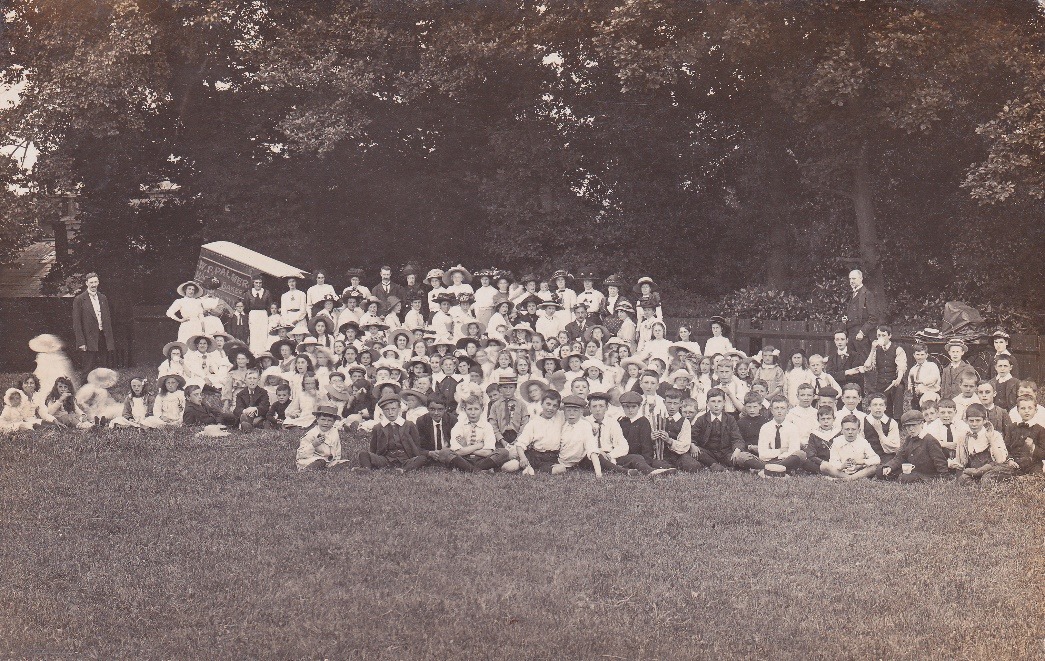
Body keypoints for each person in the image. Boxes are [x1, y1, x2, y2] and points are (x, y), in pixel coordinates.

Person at [691, 388, 762, 471]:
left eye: (719, 401)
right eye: (713, 401)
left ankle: (766, 467)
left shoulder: (730, 419)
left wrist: (737, 450)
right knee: (694, 452)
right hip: (708, 453)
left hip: (726, 453)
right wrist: (692, 445)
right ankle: (714, 464)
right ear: (707, 403)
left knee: (743, 457)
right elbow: (692, 437)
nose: (716, 405)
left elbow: (737, 439)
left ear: (724, 402)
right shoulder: (701, 419)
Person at [356, 394, 428, 471]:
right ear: (382, 411)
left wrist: (416, 456)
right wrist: (373, 458)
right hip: (386, 459)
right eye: (387, 410)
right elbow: (373, 448)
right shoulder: (378, 427)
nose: (390, 412)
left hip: (406, 459)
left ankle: (404, 469)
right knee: (363, 453)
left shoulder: (409, 425)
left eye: (393, 409)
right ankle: (366, 468)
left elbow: (416, 444)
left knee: (422, 459)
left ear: (399, 409)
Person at [950, 403, 1016, 485]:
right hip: (975, 470)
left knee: (987, 479)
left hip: (994, 468)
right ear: (966, 421)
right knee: (963, 479)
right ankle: (976, 484)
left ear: (984, 420)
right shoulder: (964, 437)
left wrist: (991, 440)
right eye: (971, 421)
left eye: (978, 420)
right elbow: (961, 463)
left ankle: (984, 482)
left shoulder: (994, 435)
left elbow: (999, 460)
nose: (974, 424)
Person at [880, 410, 949, 483]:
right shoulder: (909, 439)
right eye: (908, 426)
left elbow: (940, 461)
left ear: (922, 424)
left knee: (904, 478)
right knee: (881, 471)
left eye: (914, 425)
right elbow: (900, 457)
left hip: (926, 474)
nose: (911, 429)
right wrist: (890, 466)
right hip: (911, 470)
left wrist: (943, 477)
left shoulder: (929, 440)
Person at [857, 325, 907, 420]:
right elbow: (867, 366)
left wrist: (898, 379)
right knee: (881, 401)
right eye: (879, 335)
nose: (881, 338)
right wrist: (872, 350)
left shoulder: (897, 349)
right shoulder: (876, 350)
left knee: (899, 389)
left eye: (883, 335)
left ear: (889, 336)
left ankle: (897, 419)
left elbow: (901, 367)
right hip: (880, 382)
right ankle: (886, 418)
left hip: (894, 381)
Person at [72, 272, 117, 370]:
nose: (93, 285)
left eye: (95, 282)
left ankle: (103, 386)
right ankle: (85, 385)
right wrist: (81, 342)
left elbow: (107, 320)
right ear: (87, 283)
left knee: (104, 367)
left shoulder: (103, 298)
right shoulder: (79, 299)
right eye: (91, 282)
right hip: (88, 339)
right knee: (88, 367)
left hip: (103, 337)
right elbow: (77, 323)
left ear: (98, 282)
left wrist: (109, 339)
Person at [758, 396, 807, 474]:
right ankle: (781, 470)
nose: (779, 411)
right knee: (743, 457)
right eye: (776, 408)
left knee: (801, 454)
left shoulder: (793, 428)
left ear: (787, 410)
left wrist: (776, 455)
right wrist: (781, 451)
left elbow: (793, 451)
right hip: (769, 460)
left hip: (786, 460)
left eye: (782, 408)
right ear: (771, 410)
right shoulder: (765, 427)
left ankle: (769, 469)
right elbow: (762, 455)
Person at [822, 415, 880, 480]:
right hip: (841, 471)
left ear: (859, 430)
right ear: (842, 430)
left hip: (858, 471)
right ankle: (851, 478)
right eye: (847, 429)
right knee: (824, 466)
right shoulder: (837, 441)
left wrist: (861, 461)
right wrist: (842, 466)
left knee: (875, 467)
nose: (850, 432)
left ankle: (842, 479)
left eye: (853, 429)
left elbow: (876, 459)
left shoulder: (863, 442)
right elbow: (833, 461)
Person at [296, 405, 350, 471]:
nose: (326, 423)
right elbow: (301, 454)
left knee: (346, 463)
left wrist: (336, 459)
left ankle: (328, 467)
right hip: (312, 458)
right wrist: (313, 445)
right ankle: (308, 470)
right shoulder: (311, 433)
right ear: (317, 419)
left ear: (334, 422)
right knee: (320, 462)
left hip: (328, 460)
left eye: (329, 420)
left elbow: (337, 448)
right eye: (323, 419)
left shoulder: (334, 432)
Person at [842, 269, 879, 359]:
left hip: (862, 337)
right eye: (850, 279)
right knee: (852, 364)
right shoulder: (852, 294)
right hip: (851, 336)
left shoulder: (867, 294)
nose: (851, 281)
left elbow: (873, 318)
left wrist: (862, 332)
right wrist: (846, 320)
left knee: (864, 363)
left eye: (854, 278)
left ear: (861, 279)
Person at [1006, 395, 1045, 475]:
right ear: (1017, 410)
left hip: (1032, 465)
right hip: (1015, 464)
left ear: (1036, 410)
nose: (1026, 411)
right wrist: (1010, 460)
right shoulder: (1011, 427)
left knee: (1036, 477)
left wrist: (1033, 447)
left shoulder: (1040, 430)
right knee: (999, 474)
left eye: (1030, 408)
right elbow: (1006, 447)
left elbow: (1043, 454)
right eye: (1023, 408)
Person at [862, 393, 902, 462]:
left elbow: (894, 447)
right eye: (875, 405)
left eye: (881, 405)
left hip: (886, 456)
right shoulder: (863, 421)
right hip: (868, 456)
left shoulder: (892, 423)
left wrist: (880, 432)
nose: (878, 407)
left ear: (885, 407)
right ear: (869, 407)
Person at [907, 343, 941, 410]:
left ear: (926, 355)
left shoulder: (932, 365)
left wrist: (921, 382)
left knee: (927, 401)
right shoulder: (913, 369)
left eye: (922, 355)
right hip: (917, 395)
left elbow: (933, 379)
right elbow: (910, 384)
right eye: (917, 355)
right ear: (914, 355)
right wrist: (911, 389)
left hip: (931, 393)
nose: (920, 357)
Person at [246, 275, 273, 354]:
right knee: (254, 334)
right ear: (253, 283)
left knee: (263, 333)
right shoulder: (248, 293)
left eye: (260, 283)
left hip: (263, 314)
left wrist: (265, 313)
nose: (258, 285)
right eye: (256, 283)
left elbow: (269, 305)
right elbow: (247, 306)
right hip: (253, 314)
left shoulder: (266, 293)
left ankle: (263, 352)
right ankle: (253, 353)